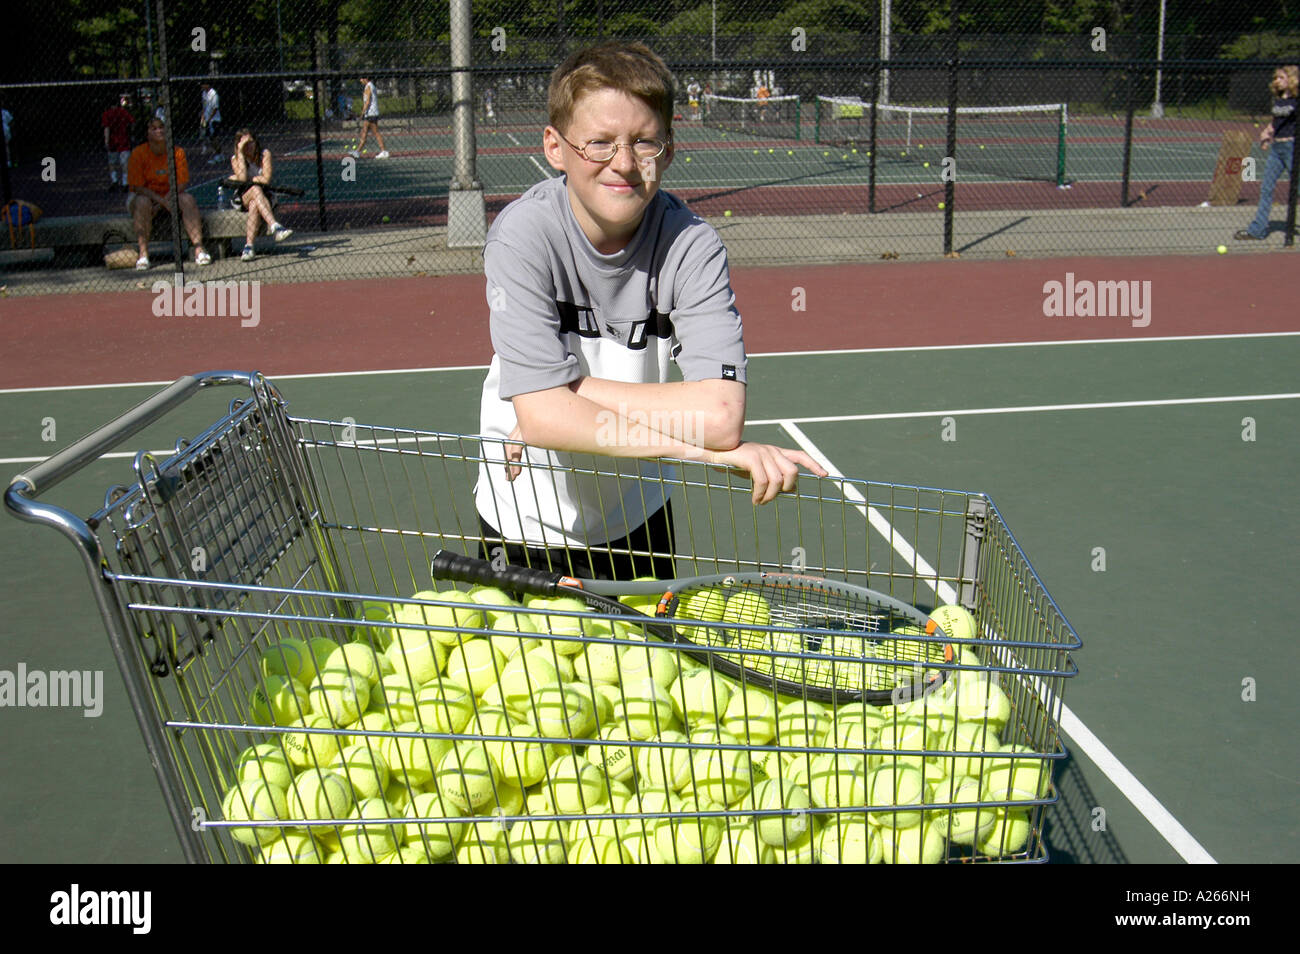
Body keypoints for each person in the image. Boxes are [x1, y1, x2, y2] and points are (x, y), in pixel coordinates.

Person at [475, 42, 825, 581]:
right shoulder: (522, 236)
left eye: (643, 142)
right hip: (525, 521)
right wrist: (708, 455)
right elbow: (544, 419)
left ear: (669, 148)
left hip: (638, 517)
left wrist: (563, 394)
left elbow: (721, 417)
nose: (623, 163)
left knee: (649, 662)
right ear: (554, 146)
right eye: (599, 143)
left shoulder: (692, 246)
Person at [126, 117, 211, 269]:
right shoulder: (138, 153)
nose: (159, 131)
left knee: (188, 199)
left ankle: (199, 248)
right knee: (142, 202)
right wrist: (160, 201)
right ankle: (143, 254)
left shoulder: (177, 152)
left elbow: (182, 183)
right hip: (146, 196)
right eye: (154, 128)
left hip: (170, 196)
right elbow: (137, 187)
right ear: (147, 133)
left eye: (162, 127)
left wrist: (161, 204)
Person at [1235, 65, 1298, 241]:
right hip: (1277, 149)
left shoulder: (1296, 99)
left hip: (1292, 147)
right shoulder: (1278, 100)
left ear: (1292, 79)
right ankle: (1258, 230)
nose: (1277, 81)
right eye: (1276, 78)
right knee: (1266, 188)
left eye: (1281, 78)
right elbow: (1276, 121)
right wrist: (1267, 132)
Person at [227, 128, 293, 261]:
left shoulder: (264, 154)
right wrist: (240, 153)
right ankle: (275, 225)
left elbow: (266, 179)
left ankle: (249, 246)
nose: (249, 146)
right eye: (245, 144)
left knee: (254, 203)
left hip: (265, 195)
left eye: (251, 142)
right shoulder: (236, 158)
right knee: (255, 190)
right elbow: (243, 180)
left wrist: (246, 180)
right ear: (239, 145)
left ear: (256, 142)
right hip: (243, 196)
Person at [348, 77, 389, 159]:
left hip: (371, 113)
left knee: (375, 132)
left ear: (366, 78)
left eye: (361, 79)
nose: (360, 81)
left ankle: (384, 151)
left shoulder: (369, 87)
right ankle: (358, 151)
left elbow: (367, 102)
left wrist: (362, 113)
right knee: (365, 132)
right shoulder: (370, 86)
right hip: (370, 113)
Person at [102, 94, 134, 192]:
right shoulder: (123, 112)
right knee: (124, 163)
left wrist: (106, 141)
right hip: (124, 140)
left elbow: (106, 128)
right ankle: (125, 182)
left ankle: (115, 180)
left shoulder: (107, 114)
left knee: (112, 162)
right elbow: (132, 122)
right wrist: (131, 132)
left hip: (113, 141)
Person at [199, 82, 222, 163]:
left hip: (214, 120)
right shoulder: (204, 93)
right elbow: (204, 106)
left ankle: (219, 155)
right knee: (210, 138)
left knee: (214, 137)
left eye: (203, 84)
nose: (201, 86)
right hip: (207, 119)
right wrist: (203, 117)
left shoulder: (214, 94)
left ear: (207, 84)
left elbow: (215, 108)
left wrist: (209, 118)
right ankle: (218, 154)